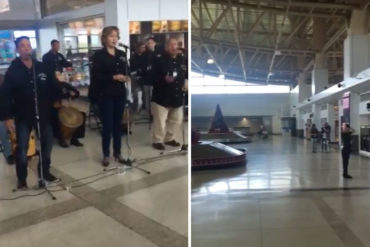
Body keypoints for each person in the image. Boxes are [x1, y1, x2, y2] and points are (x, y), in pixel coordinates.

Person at [0, 36, 60, 189]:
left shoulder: (41, 67)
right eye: (22, 46)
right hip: (23, 115)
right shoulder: (13, 70)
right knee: (22, 148)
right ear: (17, 49)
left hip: (43, 113)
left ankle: (44, 172)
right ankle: (22, 178)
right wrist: (7, 117)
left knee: (47, 145)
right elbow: (5, 95)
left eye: (28, 45)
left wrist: (58, 98)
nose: (26, 48)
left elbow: (52, 85)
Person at [90, 26, 129, 167]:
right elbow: (96, 76)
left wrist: (126, 77)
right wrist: (113, 77)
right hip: (105, 94)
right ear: (105, 38)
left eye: (116, 36)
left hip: (119, 93)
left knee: (118, 125)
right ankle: (106, 154)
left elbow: (126, 70)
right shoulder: (99, 55)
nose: (115, 38)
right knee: (108, 126)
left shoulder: (121, 53)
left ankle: (117, 152)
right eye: (111, 36)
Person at [151, 38, 186, 150]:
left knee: (176, 119)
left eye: (175, 44)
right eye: (171, 45)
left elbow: (184, 73)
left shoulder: (182, 59)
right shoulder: (159, 59)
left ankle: (169, 138)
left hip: (177, 96)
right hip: (161, 96)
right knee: (160, 122)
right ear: (166, 47)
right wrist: (163, 79)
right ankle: (158, 140)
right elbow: (152, 77)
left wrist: (186, 82)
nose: (174, 47)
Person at [143, 37, 158, 120]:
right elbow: (142, 66)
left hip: (154, 81)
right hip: (146, 80)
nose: (149, 45)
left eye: (151, 43)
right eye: (148, 43)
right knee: (147, 98)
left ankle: (154, 114)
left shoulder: (158, 54)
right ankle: (149, 114)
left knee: (154, 98)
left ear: (154, 43)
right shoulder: (145, 55)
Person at [130, 42, 146, 112]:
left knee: (145, 94)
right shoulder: (133, 57)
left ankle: (144, 108)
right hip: (135, 77)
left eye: (144, 47)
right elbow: (132, 68)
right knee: (136, 94)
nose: (143, 49)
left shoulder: (146, 56)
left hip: (144, 77)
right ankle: (135, 109)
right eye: (142, 47)